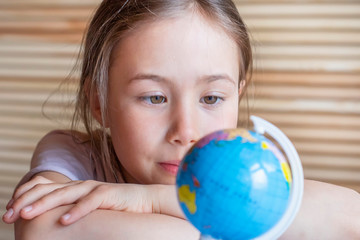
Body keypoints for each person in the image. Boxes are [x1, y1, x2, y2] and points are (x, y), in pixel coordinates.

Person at [2, 0, 360, 239]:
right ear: (99, 103)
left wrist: (150, 201)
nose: (185, 132)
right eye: (154, 97)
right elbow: (38, 227)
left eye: (211, 98)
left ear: (237, 93)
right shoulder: (74, 153)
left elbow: (351, 216)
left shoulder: (248, 163)